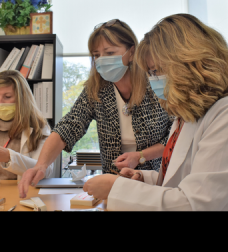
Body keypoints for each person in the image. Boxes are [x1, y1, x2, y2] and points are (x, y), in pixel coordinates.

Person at [83, 13, 228, 211]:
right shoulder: (184, 117)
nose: (154, 80)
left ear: (190, 62)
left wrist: (117, 188)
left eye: (157, 70)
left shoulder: (223, 115)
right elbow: (177, 179)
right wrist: (143, 178)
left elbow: (196, 203)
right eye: (151, 73)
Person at [19, 19, 174, 198]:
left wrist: (140, 156)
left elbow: (174, 136)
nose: (101, 60)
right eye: (96, 55)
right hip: (112, 185)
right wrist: (41, 165)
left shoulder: (155, 84)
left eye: (109, 53)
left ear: (131, 52)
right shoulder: (96, 89)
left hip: (155, 185)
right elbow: (68, 126)